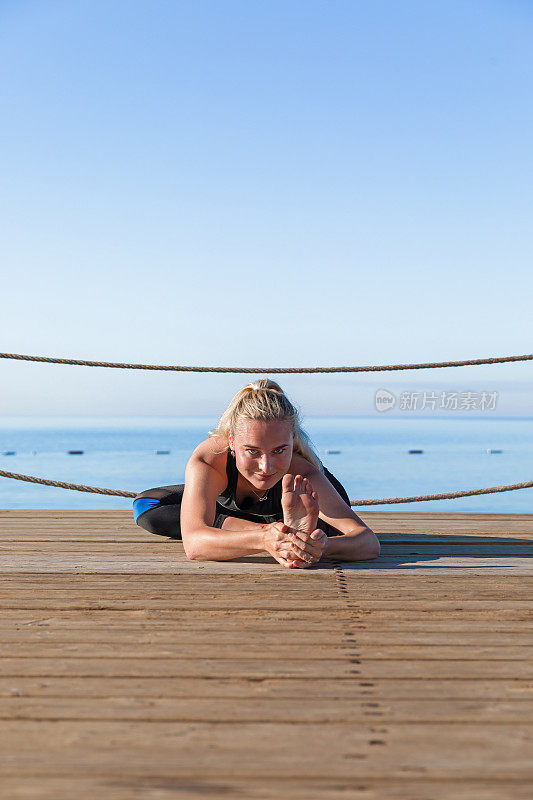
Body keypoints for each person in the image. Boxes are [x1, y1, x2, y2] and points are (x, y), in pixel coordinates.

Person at [133, 380, 380, 568]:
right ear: (230, 440)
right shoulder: (210, 460)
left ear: (293, 440)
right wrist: (265, 538)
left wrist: (319, 548)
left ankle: (289, 532)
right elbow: (195, 545)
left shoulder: (304, 472)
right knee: (148, 506)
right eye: (252, 451)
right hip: (253, 520)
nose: (266, 467)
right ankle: (277, 528)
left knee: (329, 531)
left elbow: (367, 542)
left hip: (311, 509)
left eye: (279, 450)